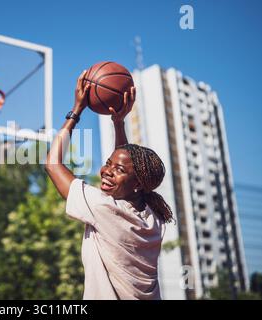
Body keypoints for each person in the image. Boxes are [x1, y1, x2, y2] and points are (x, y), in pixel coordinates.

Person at [45, 70, 174, 300]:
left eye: (119, 170)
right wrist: (118, 123)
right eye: (108, 163)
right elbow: (129, 167)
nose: (107, 171)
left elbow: (53, 164)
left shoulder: (103, 208)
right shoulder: (154, 218)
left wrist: (76, 110)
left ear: (137, 184)